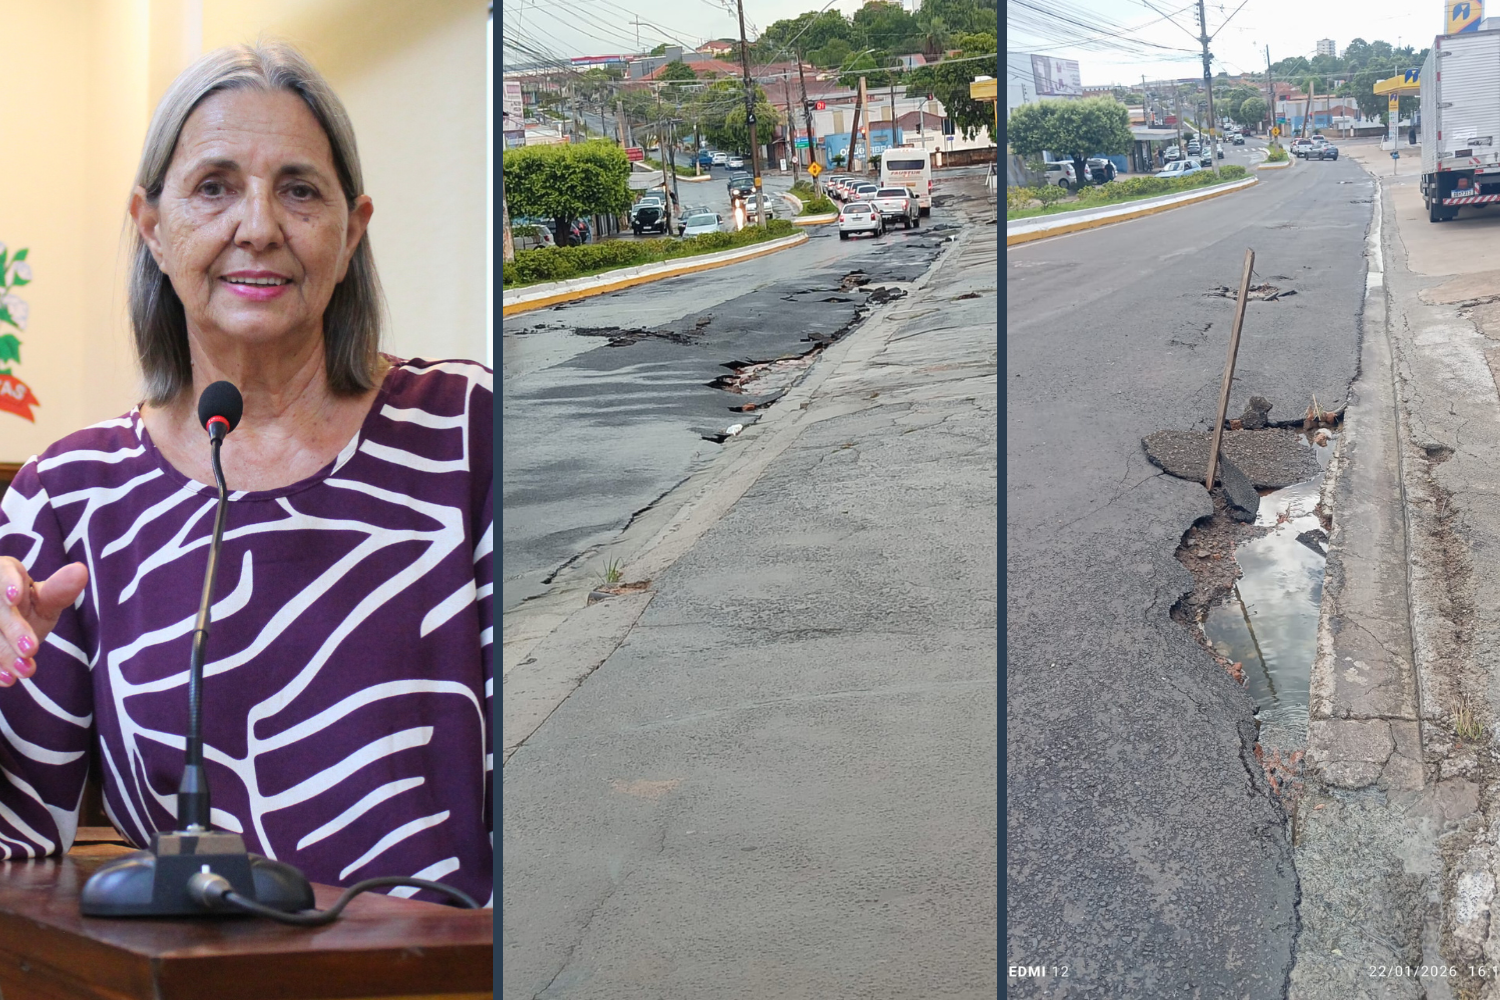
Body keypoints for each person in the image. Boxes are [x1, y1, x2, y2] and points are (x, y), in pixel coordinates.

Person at [0, 42, 491, 906]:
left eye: (300, 189)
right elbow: (15, 849)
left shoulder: (465, 432)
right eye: (215, 186)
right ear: (152, 227)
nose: (259, 226)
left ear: (353, 230)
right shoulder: (67, 497)